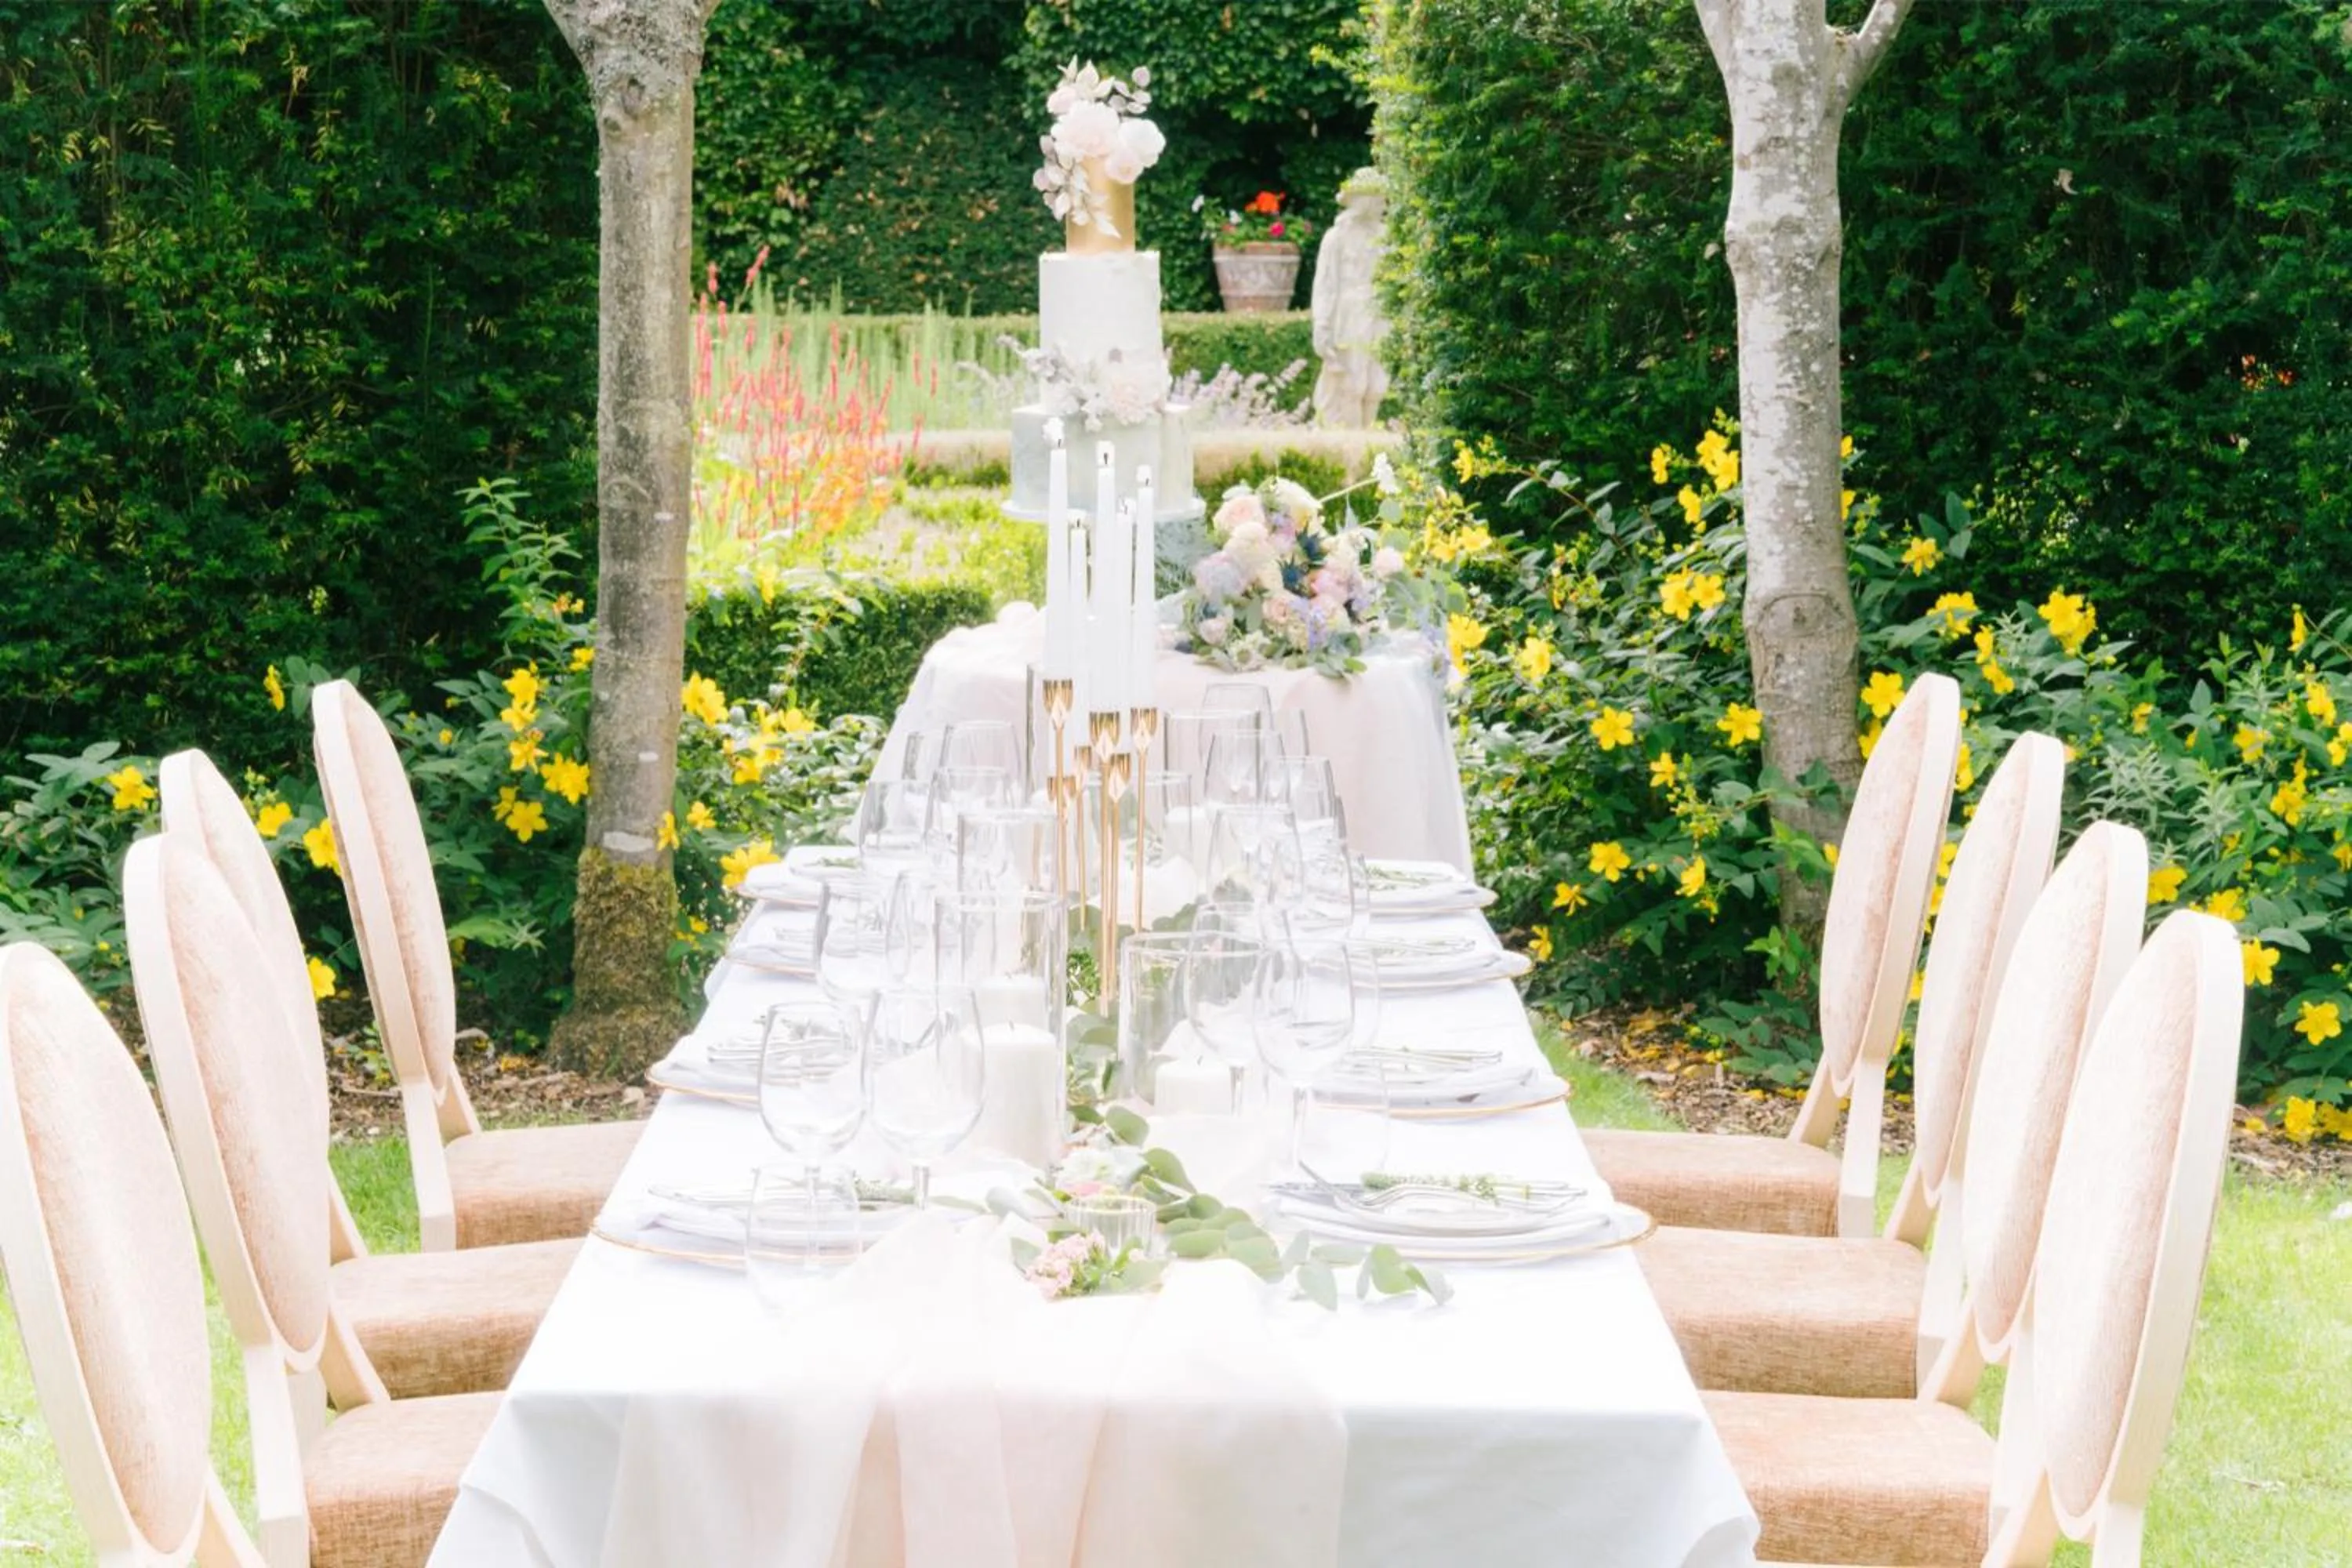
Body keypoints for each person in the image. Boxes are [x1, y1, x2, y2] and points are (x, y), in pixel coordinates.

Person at [1310, 168, 1391, 429]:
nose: (1383, 205)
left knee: (1377, 384)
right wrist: (1322, 325)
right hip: (1349, 314)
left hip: (1379, 312)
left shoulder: (1387, 237)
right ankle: (1351, 444)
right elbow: (1325, 284)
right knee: (1352, 383)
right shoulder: (1337, 237)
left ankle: (1366, 439)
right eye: (1378, 199)